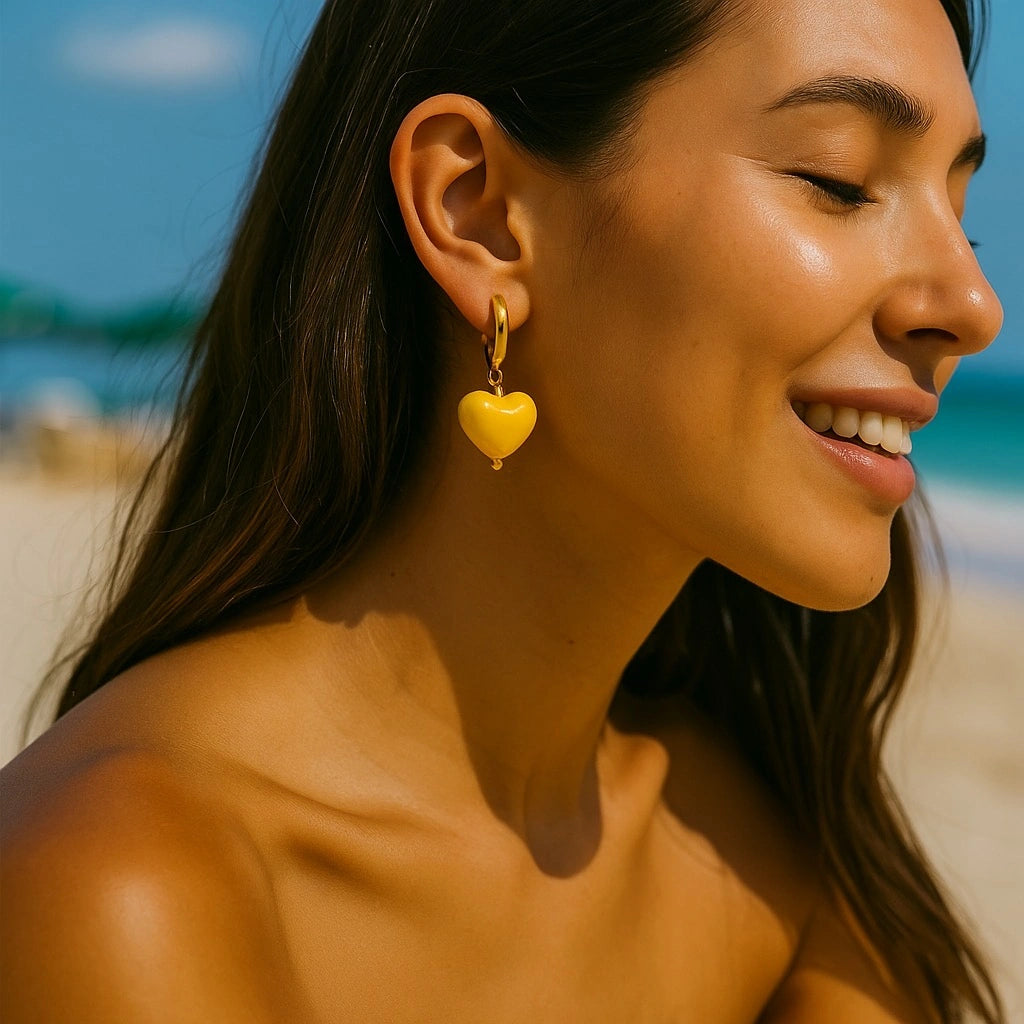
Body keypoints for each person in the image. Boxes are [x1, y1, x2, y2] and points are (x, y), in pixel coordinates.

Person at [0, 0, 1006, 1020]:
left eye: (957, 210)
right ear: (476, 210)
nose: (973, 305)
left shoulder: (784, 870)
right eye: (837, 180)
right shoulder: (120, 887)